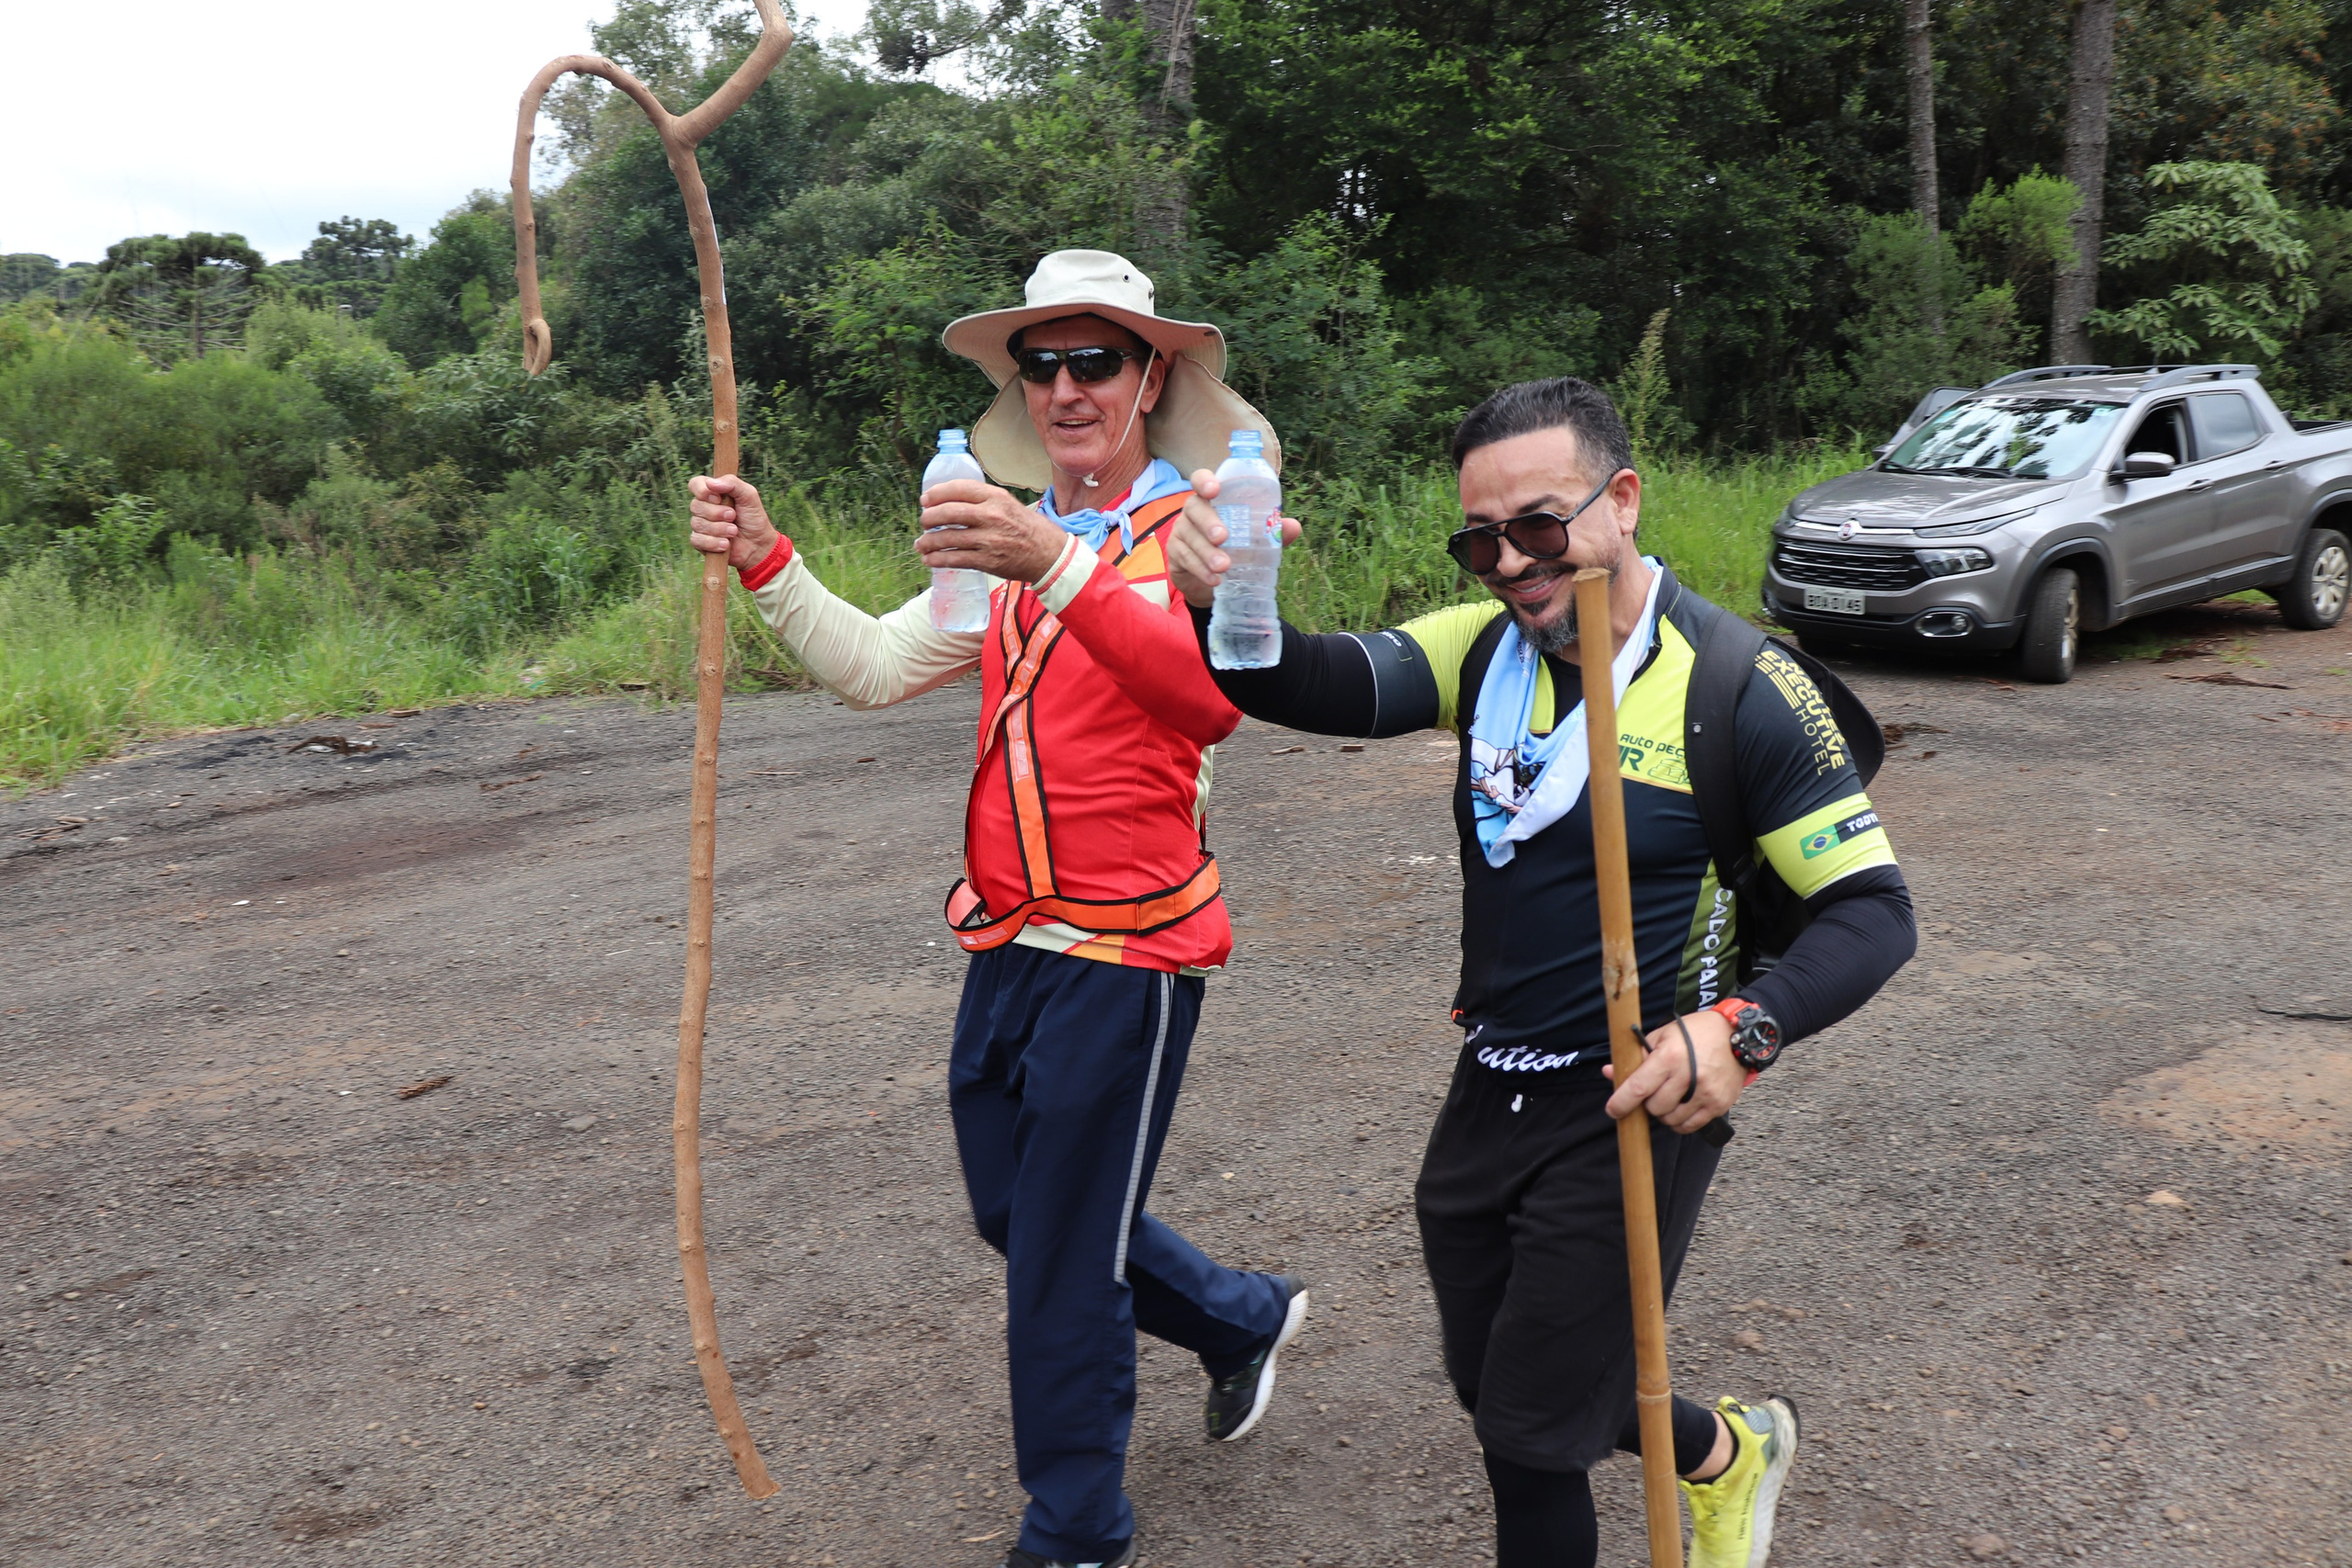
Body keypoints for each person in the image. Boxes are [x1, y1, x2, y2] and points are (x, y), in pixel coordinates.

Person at [1162, 377, 1917, 1568]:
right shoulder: (1482, 652)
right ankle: (1726, 1453)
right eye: (1483, 539)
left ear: (1624, 501)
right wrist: (1224, 599)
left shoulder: (1739, 686)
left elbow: (1872, 913)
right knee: (1498, 1380)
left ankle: (1698, 1461)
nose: (1512, 563)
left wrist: (1742, 1030)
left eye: (1541, 526)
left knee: (1526, 1434)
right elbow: (1298, 680)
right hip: (1492, 1081)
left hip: (1635, 1101)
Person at [684, 250, 1308, 1568]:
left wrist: (1057, 560)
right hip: (1010, 939)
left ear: (1152, 377)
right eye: (1043, 364)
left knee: (1064, 1261)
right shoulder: (1005, 535)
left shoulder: (1198, 530)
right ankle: (1239, 1316)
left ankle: (1078, 1528)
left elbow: (1210, 703)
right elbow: (875, 665)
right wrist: (765, 559)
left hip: (1131, 949)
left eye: (1097, 361)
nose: (1068, 388)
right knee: (1016, 1215)